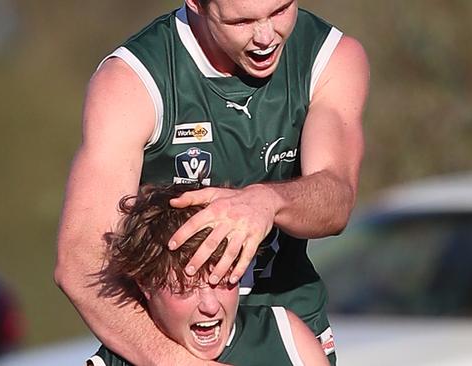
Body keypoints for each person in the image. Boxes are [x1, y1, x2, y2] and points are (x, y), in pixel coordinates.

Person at [54, 0, 369, 364]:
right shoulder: (133, 81)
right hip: (169, 343)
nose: (266, 36)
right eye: (242, 20)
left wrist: (267, 203)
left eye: (281, 10)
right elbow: (80, 262)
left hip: (288, 328)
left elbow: (336, 200)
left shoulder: (331, 56)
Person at [87, 183, 328, 365]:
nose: (210, 306)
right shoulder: (114, 360)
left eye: (222, 280)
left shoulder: (284, 335)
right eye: (185, 289)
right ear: (145, 284)